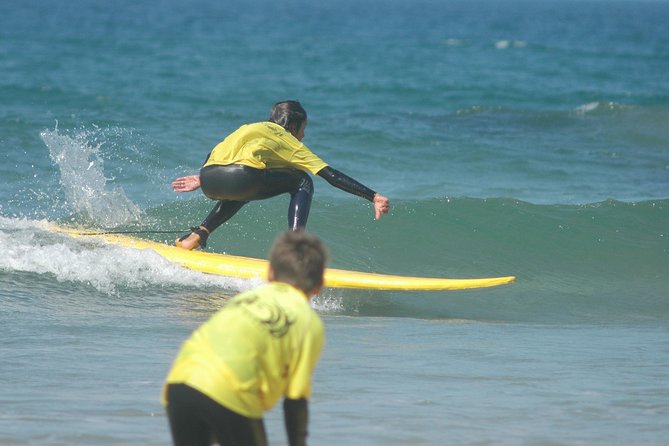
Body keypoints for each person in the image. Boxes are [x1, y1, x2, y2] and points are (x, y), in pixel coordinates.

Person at [162, 230, 328, 446]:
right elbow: (295, 401)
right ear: (319, 285)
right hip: (231, 393)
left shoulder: (246, 298)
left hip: (180, 383)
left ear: (269, 274)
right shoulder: (308, 321)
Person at [172, 100, 390, 250]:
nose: (303, 135)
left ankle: (197, 236)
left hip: (209, 177)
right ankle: (294, 247)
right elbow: (330, 175)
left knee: (249, 183)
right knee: (302, 180)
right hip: (241, 178)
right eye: (303, 128)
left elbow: (217, 153)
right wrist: (373, 196)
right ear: (293, 126)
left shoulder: (250, 127)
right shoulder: (288, 140)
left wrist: (202, 178)